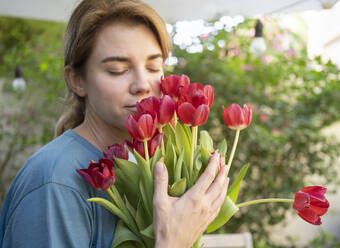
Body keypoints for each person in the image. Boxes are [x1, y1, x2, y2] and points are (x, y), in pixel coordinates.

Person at [0, 0, 229, 247]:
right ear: (77, 80)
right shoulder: (54, 184)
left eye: (153, 66)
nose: (143, 84)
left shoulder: (154, 168)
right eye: (118, 70)